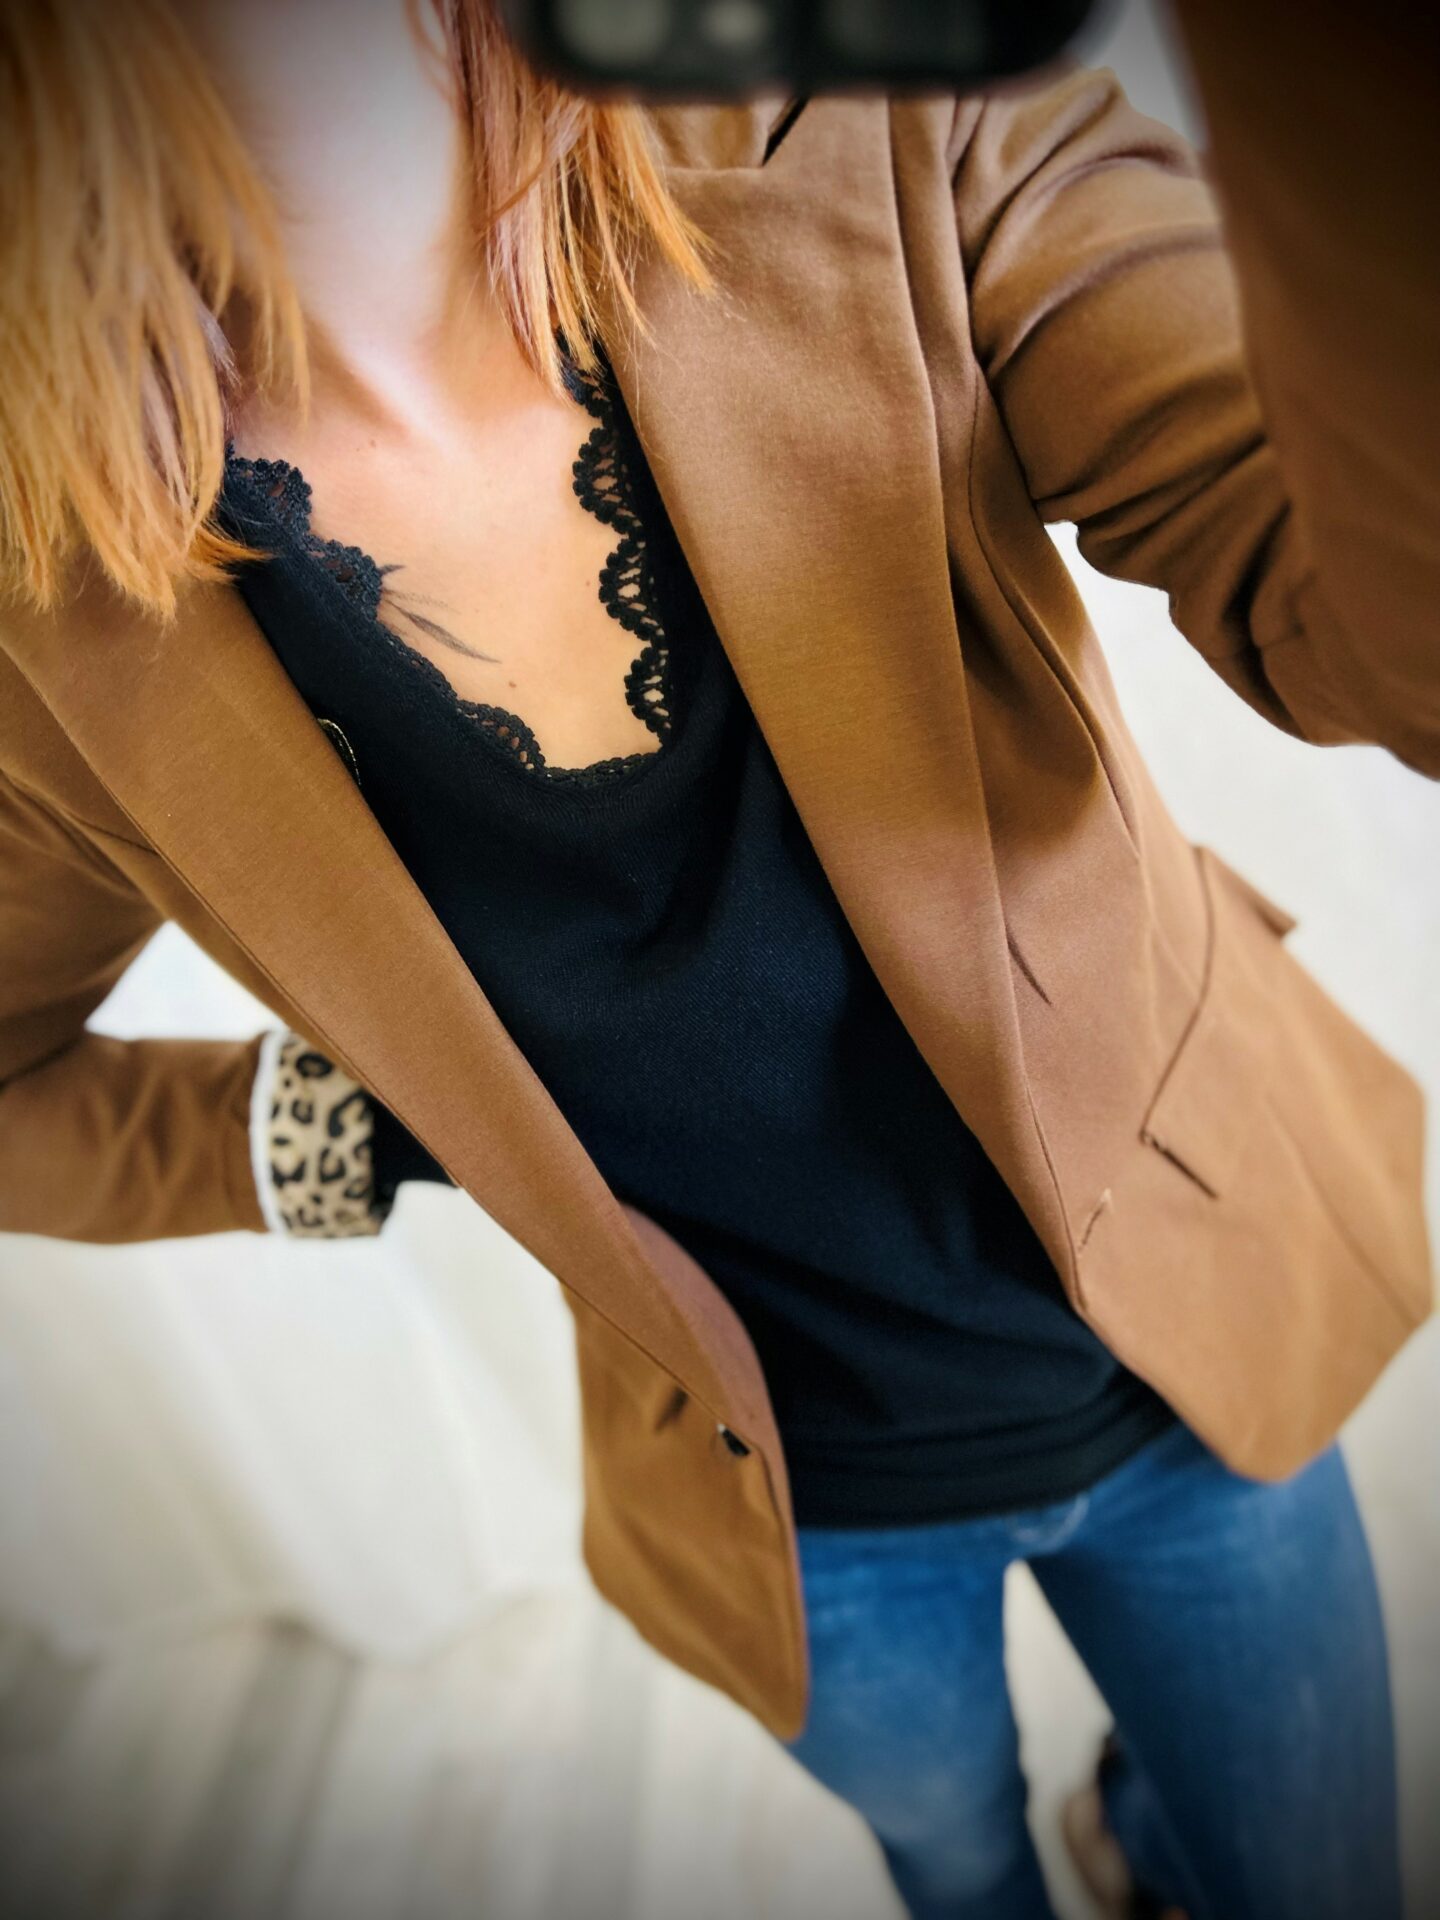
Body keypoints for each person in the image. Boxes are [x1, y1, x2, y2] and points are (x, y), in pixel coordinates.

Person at [0, 2, 1434, 1915]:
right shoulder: (52, 604)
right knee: (954, 1865)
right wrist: (382, 1125)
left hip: (1191, 1348)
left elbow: (1387, 641)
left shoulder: (878, 119)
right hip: (796, 1526)